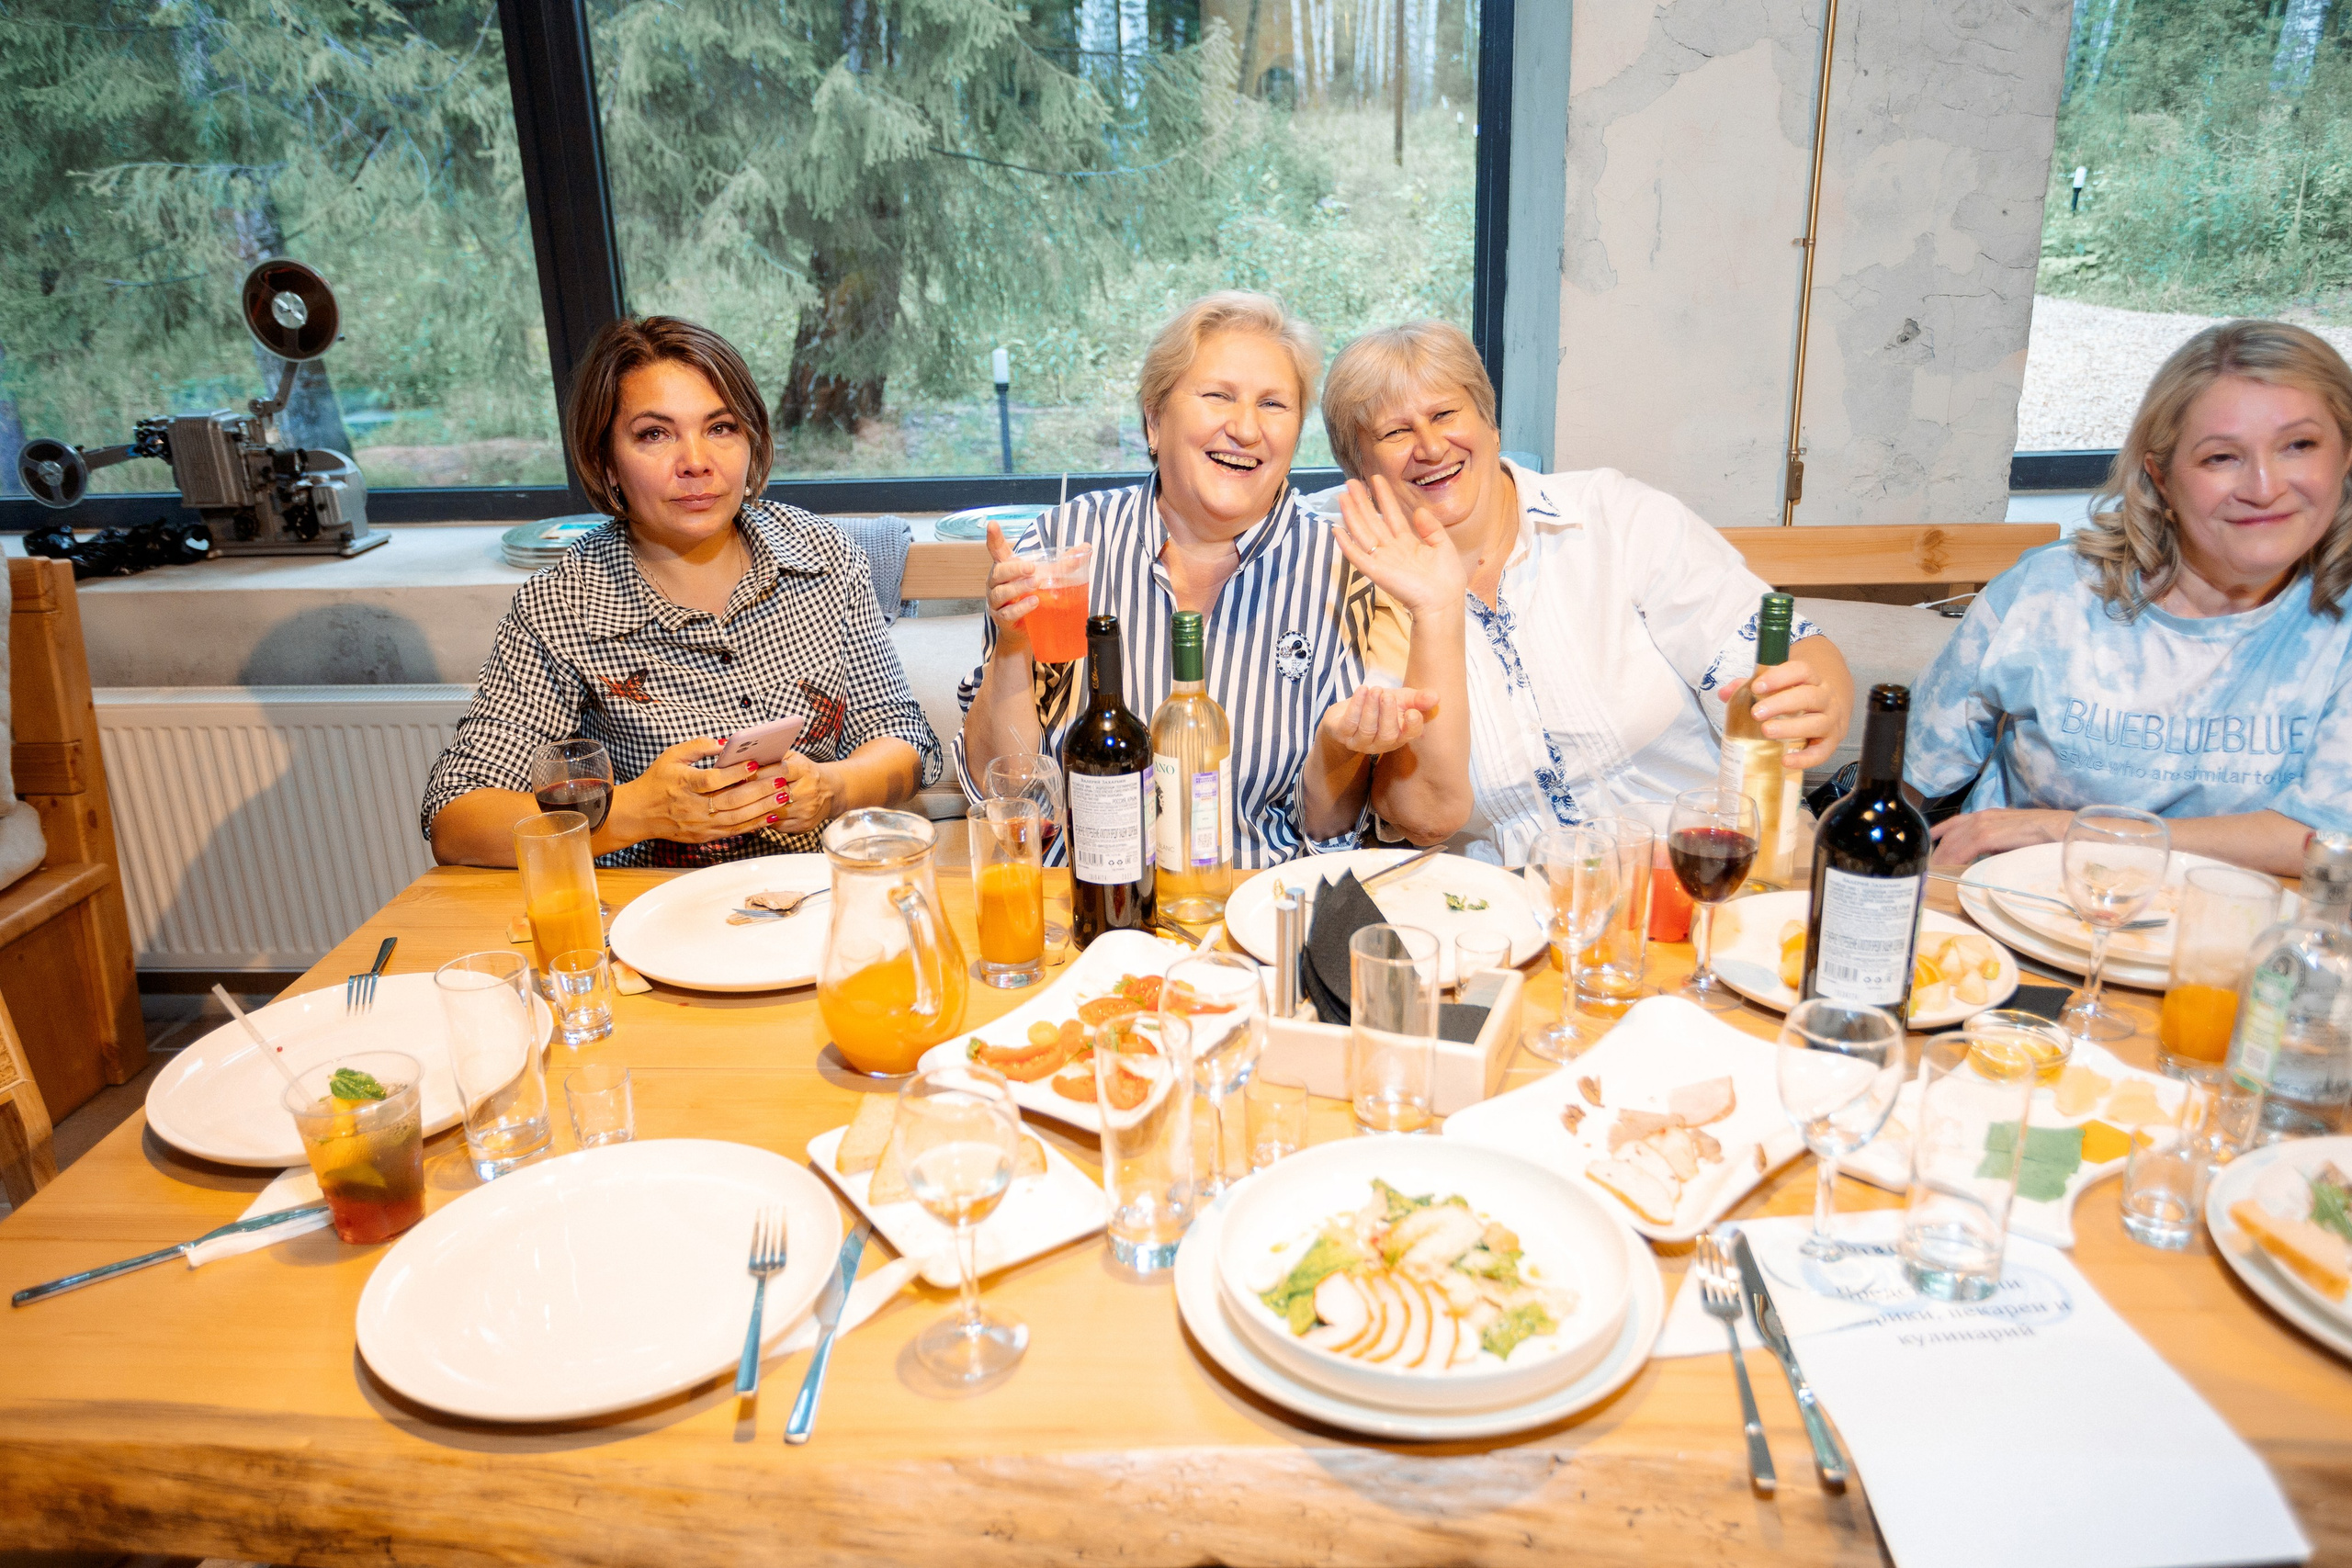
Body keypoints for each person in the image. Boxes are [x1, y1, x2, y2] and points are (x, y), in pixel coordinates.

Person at [1316, 319, 1856, 865]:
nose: (1431, 446)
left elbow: (1777, 648)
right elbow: (1421, 814)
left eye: (1445, 414)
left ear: (1490, 423)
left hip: (1711, 868)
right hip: (1518, 914)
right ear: (1357, 470)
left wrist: (1822, 696)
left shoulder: (1614, 516)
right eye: (1394, 433)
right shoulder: (1347, 592)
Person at [423, 315, 940, 867]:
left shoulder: (825, 557)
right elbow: (455, 820)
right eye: (654, 434)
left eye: (720, 428)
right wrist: (636, 812)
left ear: (753, 441)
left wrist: (834, 788)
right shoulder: (562, 605)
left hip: (818, 901)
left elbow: (903, 737)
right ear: (606, 462)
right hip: (652, 916)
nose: (696, 463)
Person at [957, 291, 1441, 866]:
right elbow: (1006, 790)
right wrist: (1012, 646)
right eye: (1218, 396)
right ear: (1154, 421)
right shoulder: (1065, 543)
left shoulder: (1344, 569)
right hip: (1088, 901)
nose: (1245, 429)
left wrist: (1341, 749)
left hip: (1259, 903)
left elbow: (1329, 828)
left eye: (1273, 404)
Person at [1908, 319, 2352, 878]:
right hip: (2015, 923)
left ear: (2346, 454)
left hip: (2231, 950)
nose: (2263, 487)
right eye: (2221, 457)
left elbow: (2330, 842)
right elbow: (1908, 776)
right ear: (2161, 477)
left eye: (2299, 445)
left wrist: (2071, 829)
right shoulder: (2049, 594)